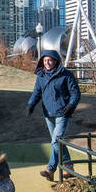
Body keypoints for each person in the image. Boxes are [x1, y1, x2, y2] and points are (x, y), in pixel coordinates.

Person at [26, 48, 81, 183]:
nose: (47, 63)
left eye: (50, 60)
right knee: (58, 142)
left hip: (63, 112)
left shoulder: (66, 75)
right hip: (48, 113)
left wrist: (71, 105)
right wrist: (31, 104)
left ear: (56, 61)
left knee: (56, 141)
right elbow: (36, 93)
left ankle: (50, 169)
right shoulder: (41, 76)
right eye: (45, 60)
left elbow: (75, 93)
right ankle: (68, 166)